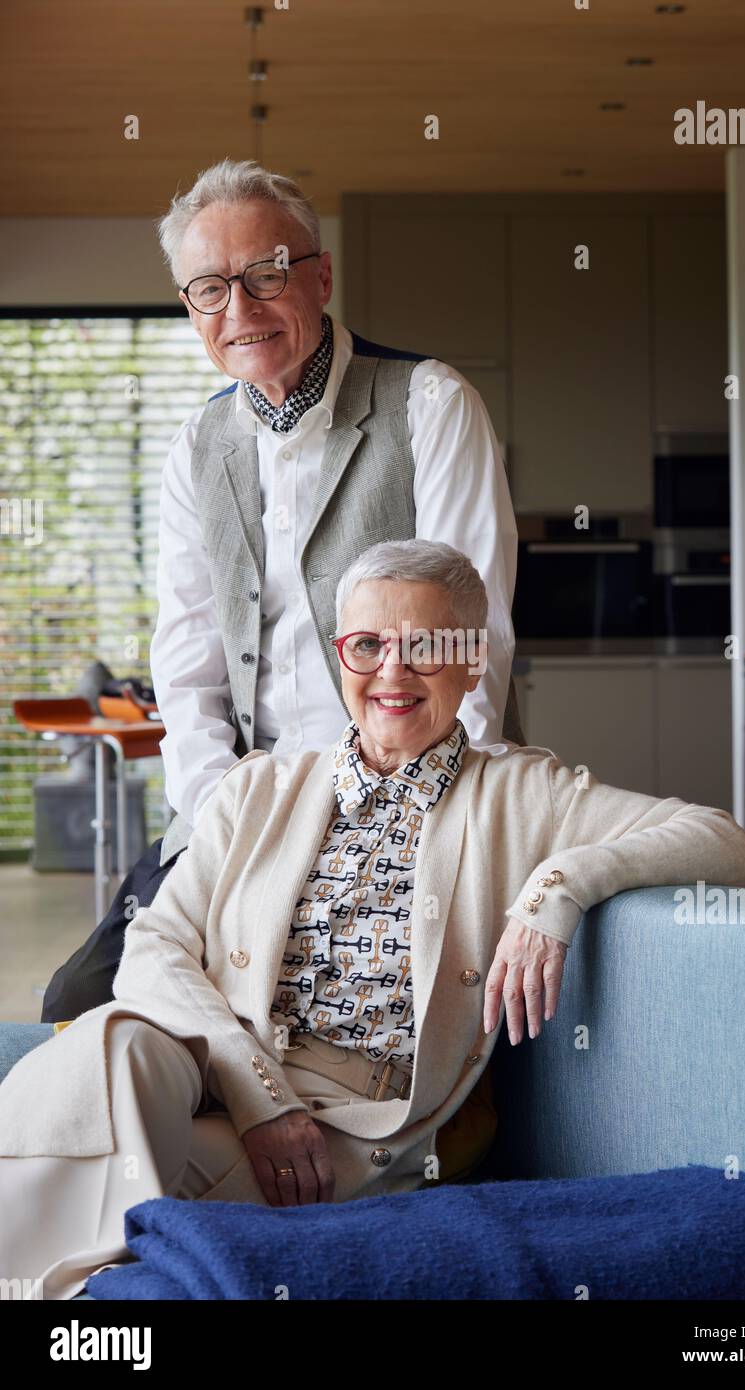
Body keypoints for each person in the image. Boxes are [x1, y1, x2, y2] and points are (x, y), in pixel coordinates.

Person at [0, 540, 745, 1300]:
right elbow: (154, 947)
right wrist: (258, 1093)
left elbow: (728, 843)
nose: (390, 673)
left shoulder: (522, 794)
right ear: (341, 656)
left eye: (424, 647)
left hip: (350, 1121)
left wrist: (558, 886)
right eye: (365, 646)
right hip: (214, 1063)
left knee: (107, 1179)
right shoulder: (259, 789)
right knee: (114, 1039)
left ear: (471, 660)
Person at [41, 157, 524, 1024]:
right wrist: (219, 814)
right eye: (208, 290)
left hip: (407, 800)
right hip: (246, 809)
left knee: (321, 1009)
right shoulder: (197, 447)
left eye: (266, 273)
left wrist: (415, 827)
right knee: (80, 1000)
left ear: (319, 275)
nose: (241, 310)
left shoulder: (428, 403)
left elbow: (467, 646)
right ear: (189, 307)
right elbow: (188, 665)